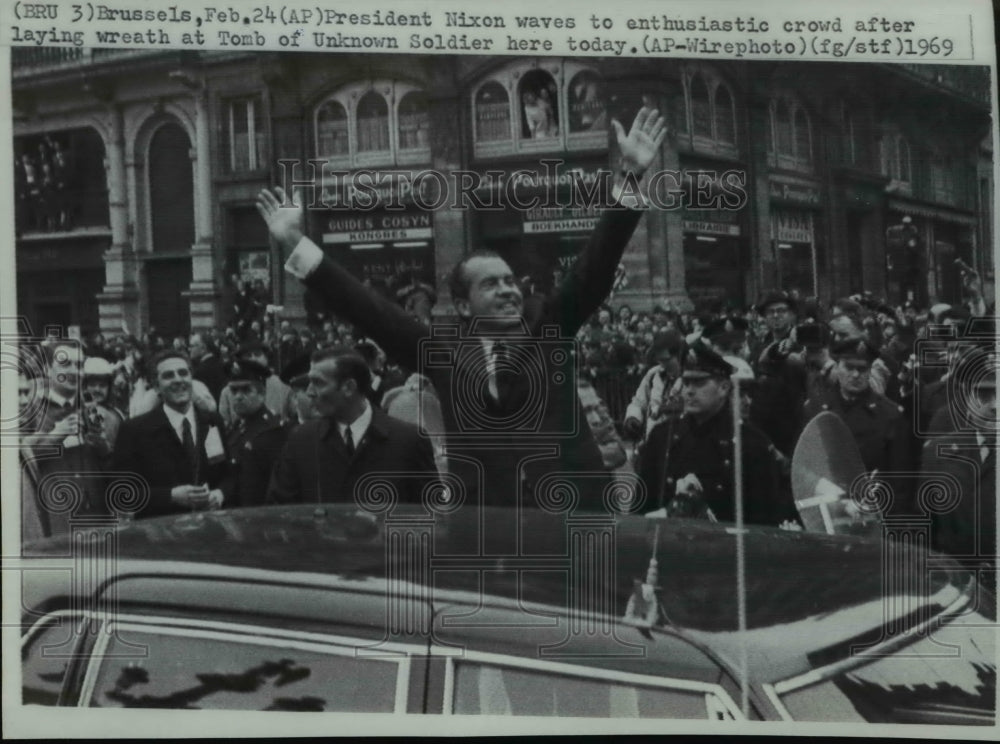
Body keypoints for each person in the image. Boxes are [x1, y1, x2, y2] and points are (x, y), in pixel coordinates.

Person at [257, 106, 666, 509]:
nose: (508, 291)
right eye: (491, 284)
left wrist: (630, 177)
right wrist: (294, 241)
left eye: (510, 281)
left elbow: (595, 266)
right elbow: (366, 309)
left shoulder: (549, 328)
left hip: (576, 512)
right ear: (463, 306)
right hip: (490, 523)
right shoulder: (444, 355)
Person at [636, 340, 795, 526]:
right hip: (666, 545)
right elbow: (641, 509)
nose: (689, 391)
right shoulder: (662, 437)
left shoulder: (751, 443)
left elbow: (764, 520)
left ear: (724, 388)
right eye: (686, 382)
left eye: (699, 383)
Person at [268, 348, 438, 505]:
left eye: (318, 383)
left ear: (349, 387)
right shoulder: (302, 441)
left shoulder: (407, 441)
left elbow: (431, 516)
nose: (310, 392)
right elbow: (280, 513)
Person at [112, 350, 232, 518]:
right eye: (168, 376)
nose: (178, 380)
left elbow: (227, 474)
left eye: (183, 373)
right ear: (156, 386)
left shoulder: (212, 422)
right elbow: (121, 491)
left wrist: (219, 494)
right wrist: (170, 496)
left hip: (209, 531)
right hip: (160, 533)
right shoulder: (135, 430)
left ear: (192, 379)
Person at [802, 338, 912, 511]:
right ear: (837, 367)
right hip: (823, 509)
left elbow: (900, 482)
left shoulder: (890, 416)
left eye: (862, 369)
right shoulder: (815, 409)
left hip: (870, 513)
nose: (855, 375)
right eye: (849, 367)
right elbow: (802, 466)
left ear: (870, 370)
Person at [919, 349, 995, 588]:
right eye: (984, 394)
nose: (995, 405)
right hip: (956, 591)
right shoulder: (937, 453)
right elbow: (925, 529)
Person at [222, 356, 289, 507]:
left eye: (246, 390)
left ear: (262, 393)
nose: (238, 396)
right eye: (234, 391)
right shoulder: (237, 428)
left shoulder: (273, 431)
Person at [623, 329, 685, 442]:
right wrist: (633, 417)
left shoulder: (692, 379)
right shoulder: (653, 374)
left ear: (679, 355)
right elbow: (638, 402)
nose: (663, 364)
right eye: (659, 360)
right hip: (653, 441)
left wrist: (667, 409)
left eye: (666, 360)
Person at [218, 342, 293, 429]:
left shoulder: (282, 384)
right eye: (248, 356)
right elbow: (224, 424)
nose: (253, 359)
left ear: (266, 358)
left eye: (258, 355)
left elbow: (295, 416)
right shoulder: (228, 391)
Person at [189, 332, 227, 403]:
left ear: (203, 348)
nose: (189, 349)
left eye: (192, 346)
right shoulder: (220, 363)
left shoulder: (200, 372)